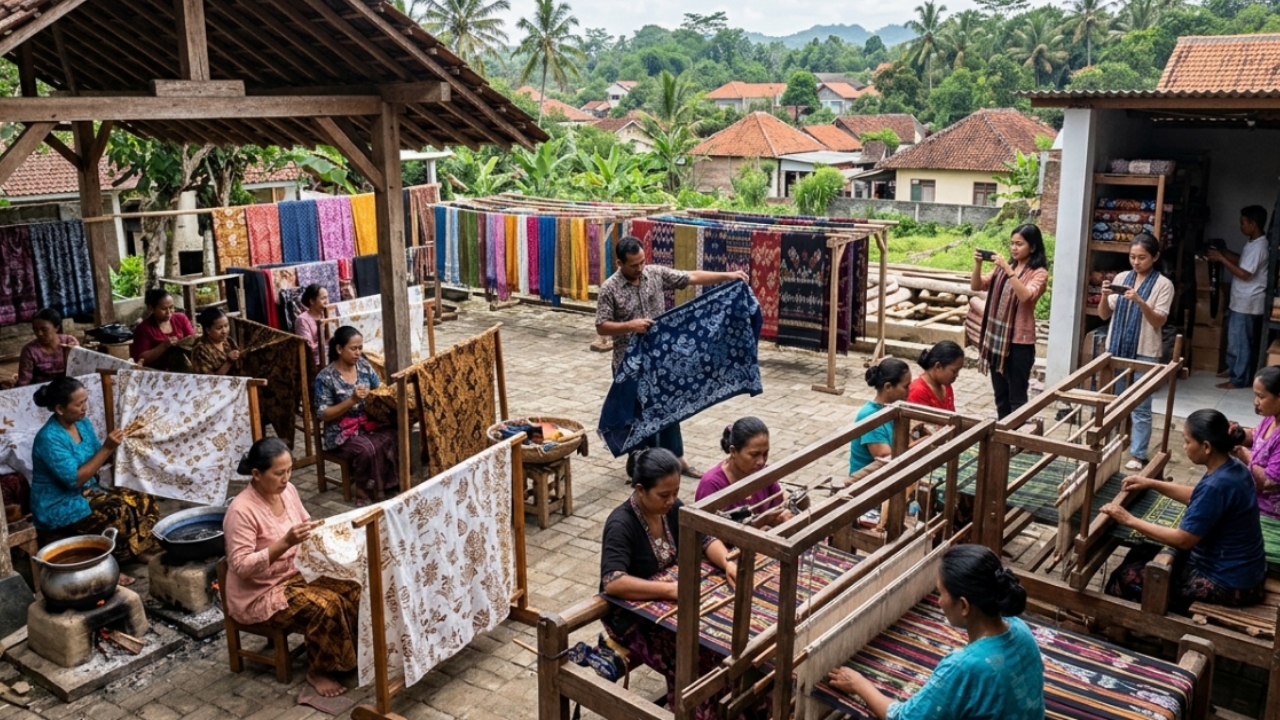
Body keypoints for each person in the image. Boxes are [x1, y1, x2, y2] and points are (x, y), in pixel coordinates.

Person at [600, 448, 742, 720]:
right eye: (663, 495)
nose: (672, 500)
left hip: (670, 604)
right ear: (640, 490)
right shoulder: (621, 523)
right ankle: (693, 712)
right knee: (698, 655)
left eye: (675, 492)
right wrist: (670, 590)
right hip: (632, 618)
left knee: (726, 640)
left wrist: (728, 564)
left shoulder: (672, 509)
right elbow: (613, 582)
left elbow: (703, 539)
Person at [826, 544, 1044, 720]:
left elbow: (903, 718)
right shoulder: (1020, 629)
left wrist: (859, 684)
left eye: (940, 593)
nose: (938, 601)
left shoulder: (963, 667)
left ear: (964, 605)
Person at [595, 235, 749, 479]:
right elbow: (602, 326)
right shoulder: (609, 289)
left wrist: (728, 276)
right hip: (629, 365)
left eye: (642, 262)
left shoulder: (655, 274)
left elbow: (690, 277)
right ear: (619, 263)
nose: (640, 268)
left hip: (661, 361)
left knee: (669, 409)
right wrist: (630, 326)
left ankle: (677, 459)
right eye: (634, 265)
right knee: (638, 415)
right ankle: (642, 465)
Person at [223, 438, 359, 698]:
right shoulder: (241, 510)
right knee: (327, 605)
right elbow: (240, 566)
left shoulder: (288, 491)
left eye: (289, 470)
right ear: (256, 474)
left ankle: (348, 653)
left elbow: (305, 522)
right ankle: (318, 670)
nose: (286, 478)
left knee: (353, 585)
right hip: (261, 591)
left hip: (295, 572)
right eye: (279, 473)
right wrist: (285, 542)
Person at [1102, 409, 1267, 613]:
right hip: (1244, 571)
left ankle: (1117, 625)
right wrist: (1151, 483)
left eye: (1188, 441)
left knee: (1127, 577)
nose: (1184, 447)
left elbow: (1183, 540)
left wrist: (1128, 520)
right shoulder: (1233, 468)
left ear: (1206, 446)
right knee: (1142, 550)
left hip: (1229, 583)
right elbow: (1197, 496)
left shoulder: (1217, 485)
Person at [29, 376, 159, 582]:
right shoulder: (49, 438)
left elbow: (98, 456)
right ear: (60, 409)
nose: (85, 408)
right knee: (116, 510)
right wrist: (108, 447)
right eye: (79, 404)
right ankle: (109, 566)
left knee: (141, 494)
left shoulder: (82, 424)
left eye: (85, 401)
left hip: (89, 491)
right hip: (59, 503)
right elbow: (74, 480)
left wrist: (127, 444)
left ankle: (138, 550)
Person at [1098, 233, 1175, 470]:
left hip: (1145, 351)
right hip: (1117, 347)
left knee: (1141, 405)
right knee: (1116, 401)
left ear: (1155, 257)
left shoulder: (1163, 284)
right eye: (1132, 257)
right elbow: (1104, 314)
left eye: (1142, 257)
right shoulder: (1122, 278)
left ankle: (1138, 454)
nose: (1136, 262)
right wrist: (1104, 296)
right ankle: (1112, 446)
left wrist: (1140, 301)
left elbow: (1159, 321)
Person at [971, 224, 1050, 418]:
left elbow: (1026, 296)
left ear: (1033, 247)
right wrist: (978, 264)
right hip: (996, 341)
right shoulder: (1003, 268)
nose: (1014, 248)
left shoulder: (1039, 273)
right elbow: (977, 286)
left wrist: (1008, 270)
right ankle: (1002, 431)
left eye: (1019, 244)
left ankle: (1016, 433)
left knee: (1017, 397)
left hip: (1020, 343)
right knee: (1000, 395)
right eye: (1012, 243)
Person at [313, 326, 399, 504]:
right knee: (367, 449)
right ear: (339, 349)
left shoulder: (364, 367)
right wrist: (352, 400)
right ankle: (363, 489)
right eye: (353, 348)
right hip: (340, 433)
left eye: (360, 348)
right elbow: (323, 414)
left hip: (367, 423)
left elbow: (380, 389)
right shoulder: (325, 377)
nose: (358, 353)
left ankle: (385, 484)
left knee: (393, 435)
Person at [1209, 205, 1269, 390]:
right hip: (1241, 301)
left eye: (1243, 223)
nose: (1240, 226)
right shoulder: (1253, 243)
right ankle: (1233, 369)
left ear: (1253, 224)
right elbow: (1242, 261)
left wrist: (1222, 259)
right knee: (1234, 340)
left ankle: (1239, 379)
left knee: (1240, 343)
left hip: (1248, 303)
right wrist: (1223, 252)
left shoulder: (1260, 246)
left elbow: (1245, 274)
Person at [695, 417, 793, 529]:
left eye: (765, 453)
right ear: (733, 451)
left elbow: (780, 502)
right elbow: (704, 533)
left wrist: (784, 514)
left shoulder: (764, 473)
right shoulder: (711, 485)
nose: (761, 462)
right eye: (754, 455)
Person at [1231, 366, 1280, 520]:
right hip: (1252, 499)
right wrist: (1236, 433)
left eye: (1261, 397)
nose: (1255, 402)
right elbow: (1255, 436)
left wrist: (1245, 456)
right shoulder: (1271, 418)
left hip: (1269, 514)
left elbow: (1269, 482)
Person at [849, 358, 912, 475]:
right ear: (888, 387)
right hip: (867, 481)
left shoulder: (894, 409)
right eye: (905, 387)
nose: (909, 391)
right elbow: (884, 457)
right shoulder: (869, 416)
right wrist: (924, 443)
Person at [130, 288, 195, 371]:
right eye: (164, 309)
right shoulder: (143, 328)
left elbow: (193, 340)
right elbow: (140, 358)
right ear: (151, 308)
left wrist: (184, 342)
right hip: (157, 371)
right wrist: (164, 346)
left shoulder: (181, 318)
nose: (169, 312)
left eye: (171, 307)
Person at [15, 308, 79, 387]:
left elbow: (77, 372)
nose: (39, 333)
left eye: (44, 329)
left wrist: (68, 354)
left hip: (68, 387)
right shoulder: (29, 350)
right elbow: (24, 381)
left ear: (56, 328)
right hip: (42, 390)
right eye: (35, 329)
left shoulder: (69, 342)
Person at [907, 340, 964, 413]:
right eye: (954, 371)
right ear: (938, 366)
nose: (957, 375)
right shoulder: (918, 392)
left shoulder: (946, 385)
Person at [190, 307, 241, 376]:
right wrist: (228, 362)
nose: (224, 331)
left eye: (226, 326)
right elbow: (209, 379)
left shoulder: (229, 341)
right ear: (208, 330)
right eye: (219, 328)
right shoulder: (200, 349)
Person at [295, 284, 328, 373]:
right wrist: (328, 343)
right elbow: (309, 348)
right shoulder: (302, 320)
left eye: (327, 298)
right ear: (312, 301)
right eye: (323, 298)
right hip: (315, 362)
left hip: (330, 356)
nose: (326, 302)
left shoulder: (326, 314)